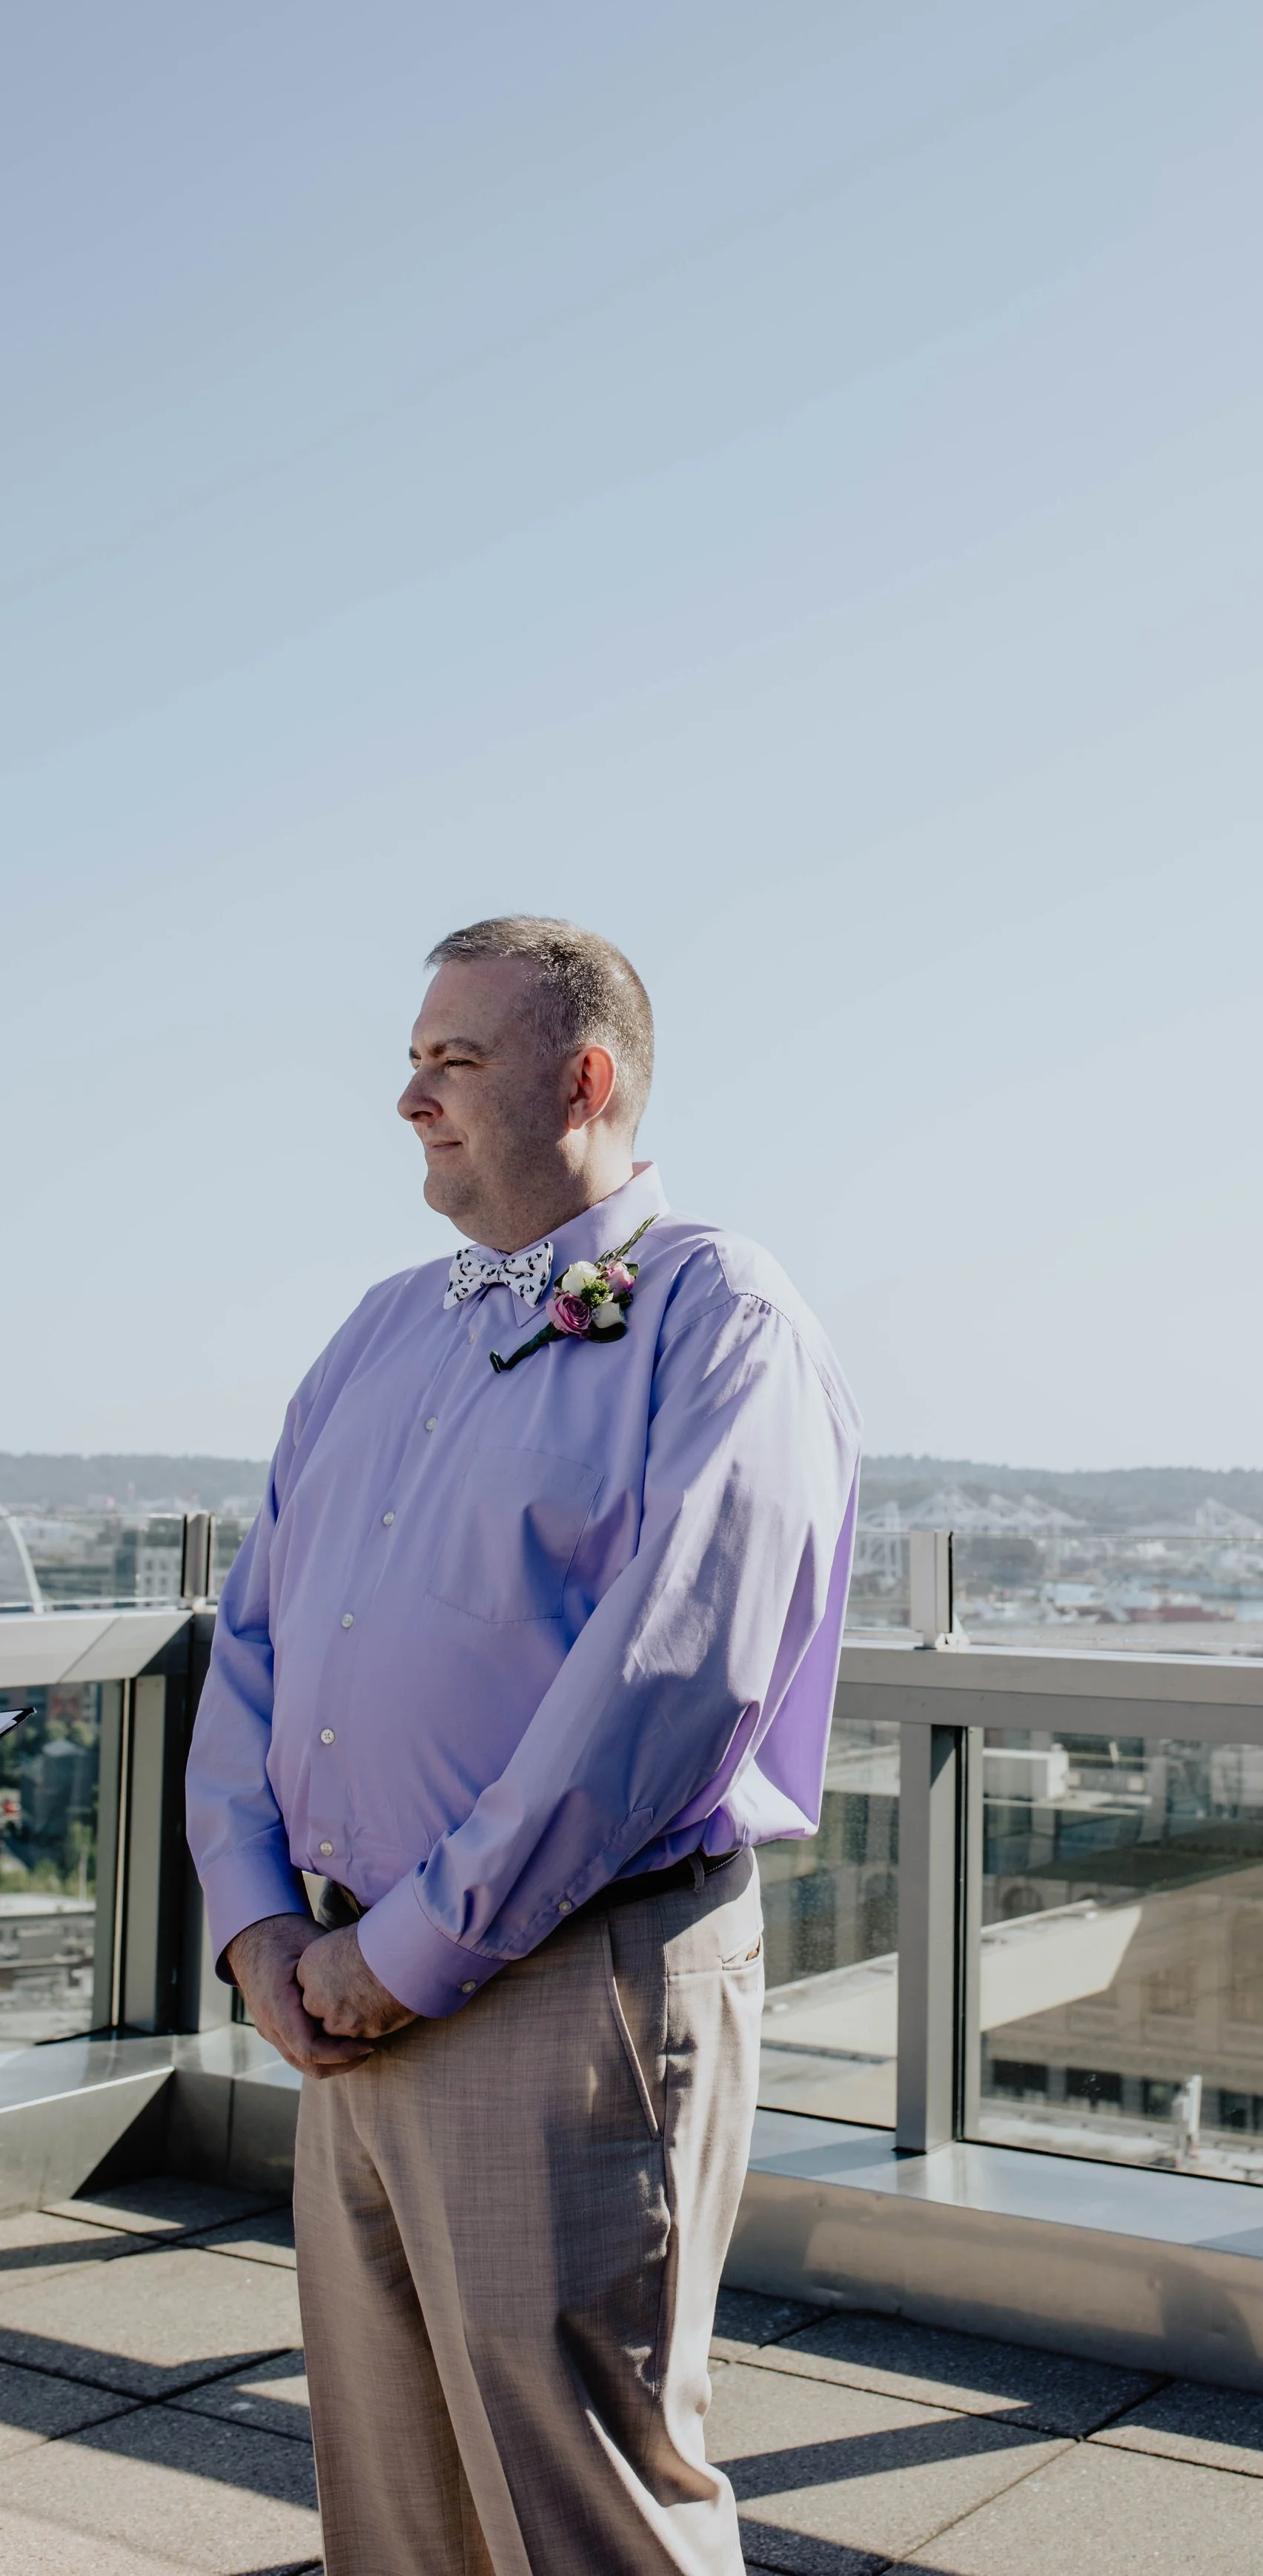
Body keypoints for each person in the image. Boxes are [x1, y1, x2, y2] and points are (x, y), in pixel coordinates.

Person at [186, 914, 859, 2576]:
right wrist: (257, 1918)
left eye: (452, 1061)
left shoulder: (721, 1315)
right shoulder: (376, 1331)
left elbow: (663, 1687)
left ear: (586, 1078)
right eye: (412, 1059)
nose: (408, 1097)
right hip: (343, 1993)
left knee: (586, 2511)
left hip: (570, 1987)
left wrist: (410, 1951)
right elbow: (256, 1637)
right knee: (396, 2512)